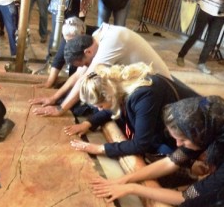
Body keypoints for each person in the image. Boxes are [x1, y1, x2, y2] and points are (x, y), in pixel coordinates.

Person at [91, 95, 224, 206]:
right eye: (176, 138)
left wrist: (132, 189)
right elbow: (171, 162)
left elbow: (186, 197)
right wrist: (125, 179)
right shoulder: (206, 126)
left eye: (183, 139)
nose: (178, 144)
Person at [31, 24, 171, 117]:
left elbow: (85, 79)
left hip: (159, 89)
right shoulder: (97, 37)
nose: (84, 66)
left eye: (84, 63)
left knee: (92, 103)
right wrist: (54, 98)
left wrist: (60, 109)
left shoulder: (111, 42)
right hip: (142, 85)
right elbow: (80, 74)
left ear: (88, 51)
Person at [67, 63, 198, 158]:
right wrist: (88, 123)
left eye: (100, 105)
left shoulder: (144, 96)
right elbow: (111, 107)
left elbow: (141, 144)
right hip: (167, 122)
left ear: (109, 96)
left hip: (194, 130)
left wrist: (100, 148)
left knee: (165, 153)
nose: (98, 109)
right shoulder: (116, 85)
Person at [34, 17, 98, 90]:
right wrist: (49, 82)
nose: (67, 44)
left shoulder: (96, 36)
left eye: (70, 41)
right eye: (66, 40)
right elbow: (59, 59)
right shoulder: (70, 35)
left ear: (82, 33)